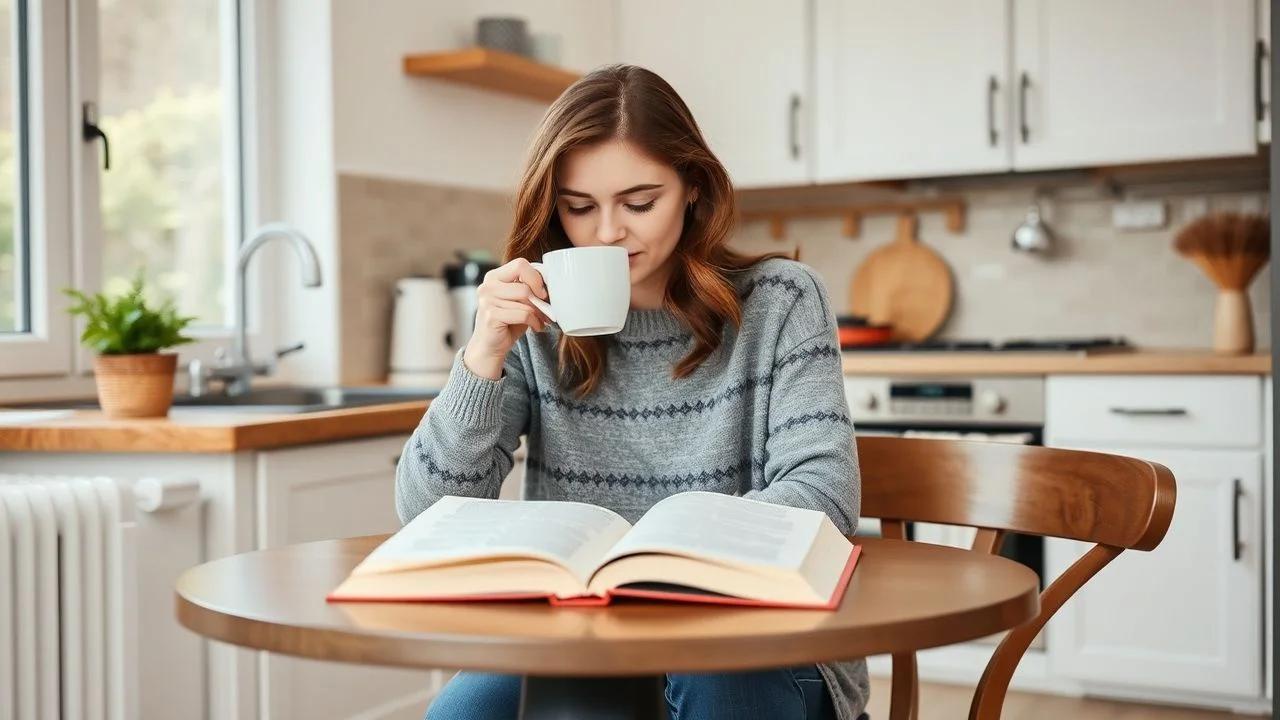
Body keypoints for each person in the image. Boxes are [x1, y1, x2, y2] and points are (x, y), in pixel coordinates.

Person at [396, 63, 868, 720]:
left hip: (752, 630)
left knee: (711, 680)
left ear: (694, 188)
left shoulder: (780, 301)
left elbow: (824, 495)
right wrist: (482, 356)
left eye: (639, 203)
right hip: (580, 636)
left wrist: (662, 564)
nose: (608, 232)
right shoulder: (535, 323)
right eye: (579, 206)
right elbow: (425, 515)